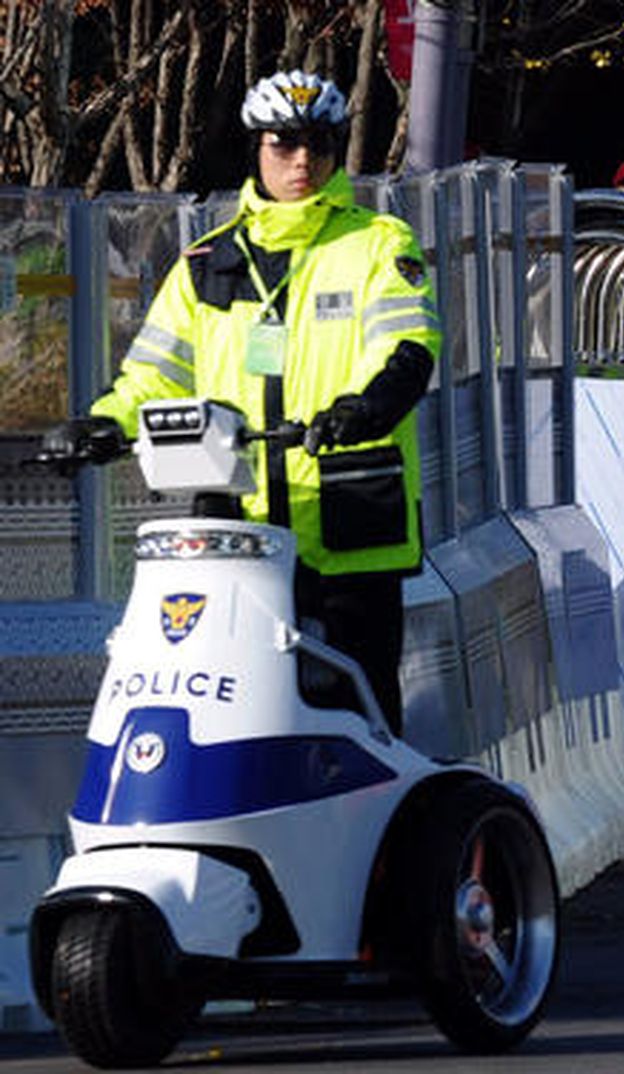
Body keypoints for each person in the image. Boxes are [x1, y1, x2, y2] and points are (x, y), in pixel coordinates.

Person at [43, 70, 440, 737]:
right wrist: (102, 425)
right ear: (256, 148)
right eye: (284, 144)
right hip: (236, 525)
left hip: (349, 520)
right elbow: (153, 375)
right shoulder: (206, 264)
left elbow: (407, 347)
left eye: (318, 143)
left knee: (365, 717)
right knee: (229, 710)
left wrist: (364, 408)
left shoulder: (378, 244)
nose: (302, 161)